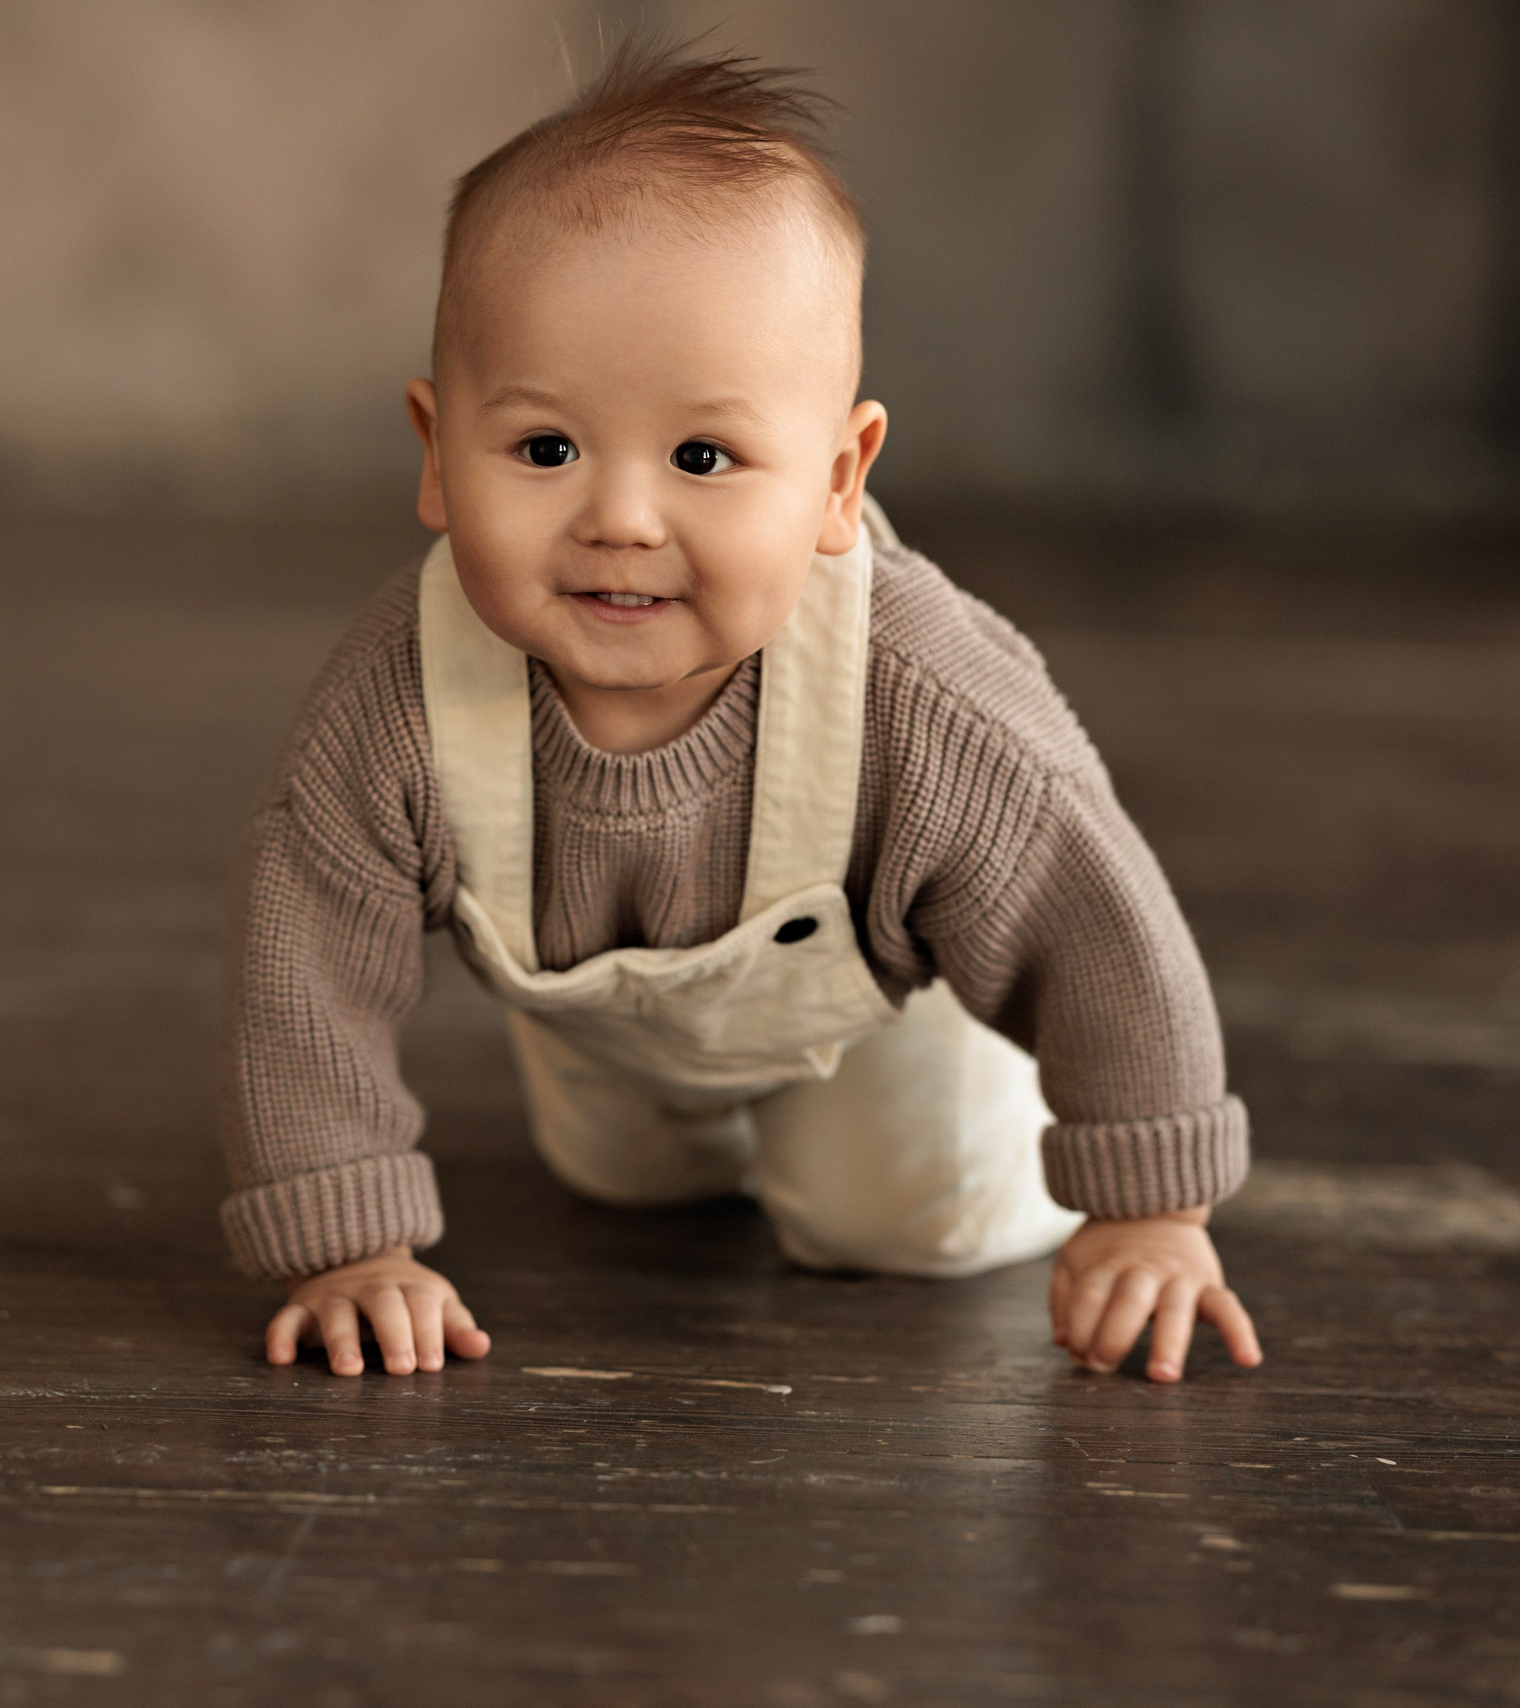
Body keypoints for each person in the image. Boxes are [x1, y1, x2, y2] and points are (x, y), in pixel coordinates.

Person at [217, 39, 1263, 1386]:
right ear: (434, 453)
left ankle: (967, 1135)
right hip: (614, 1034)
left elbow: (1104, 929)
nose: (620, 519)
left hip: (872, 1019)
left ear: (838, 480)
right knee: (625, 1182)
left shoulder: (922, 697)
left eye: (704, 457)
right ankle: (688, 1131)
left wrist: (1152, 1206)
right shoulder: (401, 700)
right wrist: (347, 1242)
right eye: (545, 449)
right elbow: (303, 972)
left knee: (880, 1222)